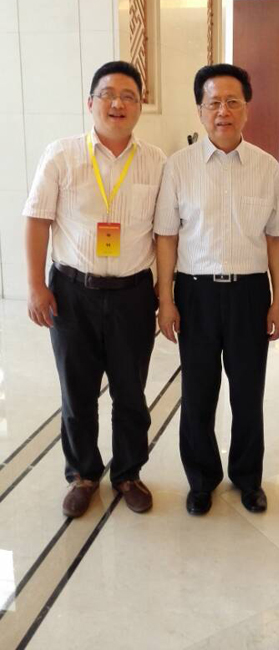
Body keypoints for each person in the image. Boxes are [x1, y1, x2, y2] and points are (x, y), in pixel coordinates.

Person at [23, 61, 165, 518]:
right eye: (108, 94)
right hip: (72, 292)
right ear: (90, 103)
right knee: (77, 391)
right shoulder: (61, 155)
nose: (118, 103)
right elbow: (37, 220)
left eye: (128, 96)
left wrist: (165, 295)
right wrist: (35, 286)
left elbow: (166, 235)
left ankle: (128, 473)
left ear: (140, 105)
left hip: (133, 294)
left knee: (131, 393)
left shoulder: (156, 162)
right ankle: (83, 474)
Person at [154, 63, 279, 516]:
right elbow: (166, 236)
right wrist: (166, 299)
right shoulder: (178, 167)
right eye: (213, 102)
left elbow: (277, 236)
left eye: (233, 102)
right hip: (195, 294)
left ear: (247, 109)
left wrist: (278, 298)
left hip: (250, 294)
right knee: (198, 393)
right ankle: (201, 479)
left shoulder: (266, 167)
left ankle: (248, 478)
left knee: (248, 394)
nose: (223, 111)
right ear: (200, 110)